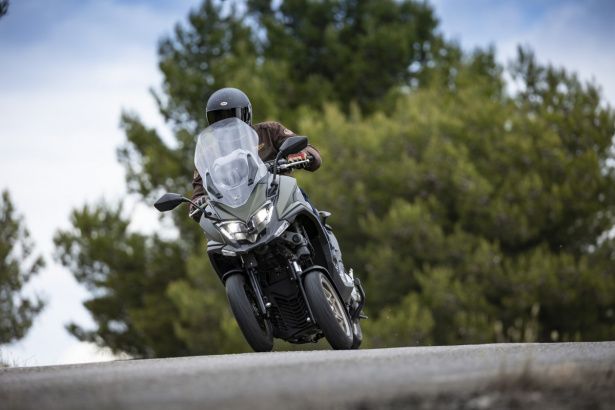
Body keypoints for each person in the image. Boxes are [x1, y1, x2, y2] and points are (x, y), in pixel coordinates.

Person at [190, 87, 322, 221]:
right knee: (214, 232)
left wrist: (302, 154)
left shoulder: (269, 131)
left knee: (302, 204)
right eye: (219, 118)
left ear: (246, 114)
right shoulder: (208, 155)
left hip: (277, 195)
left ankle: (320, 231)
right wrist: (199, 202)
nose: (227, 123)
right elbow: (197, 197)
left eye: (233, 115)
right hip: (236, 212)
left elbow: (310, 152)